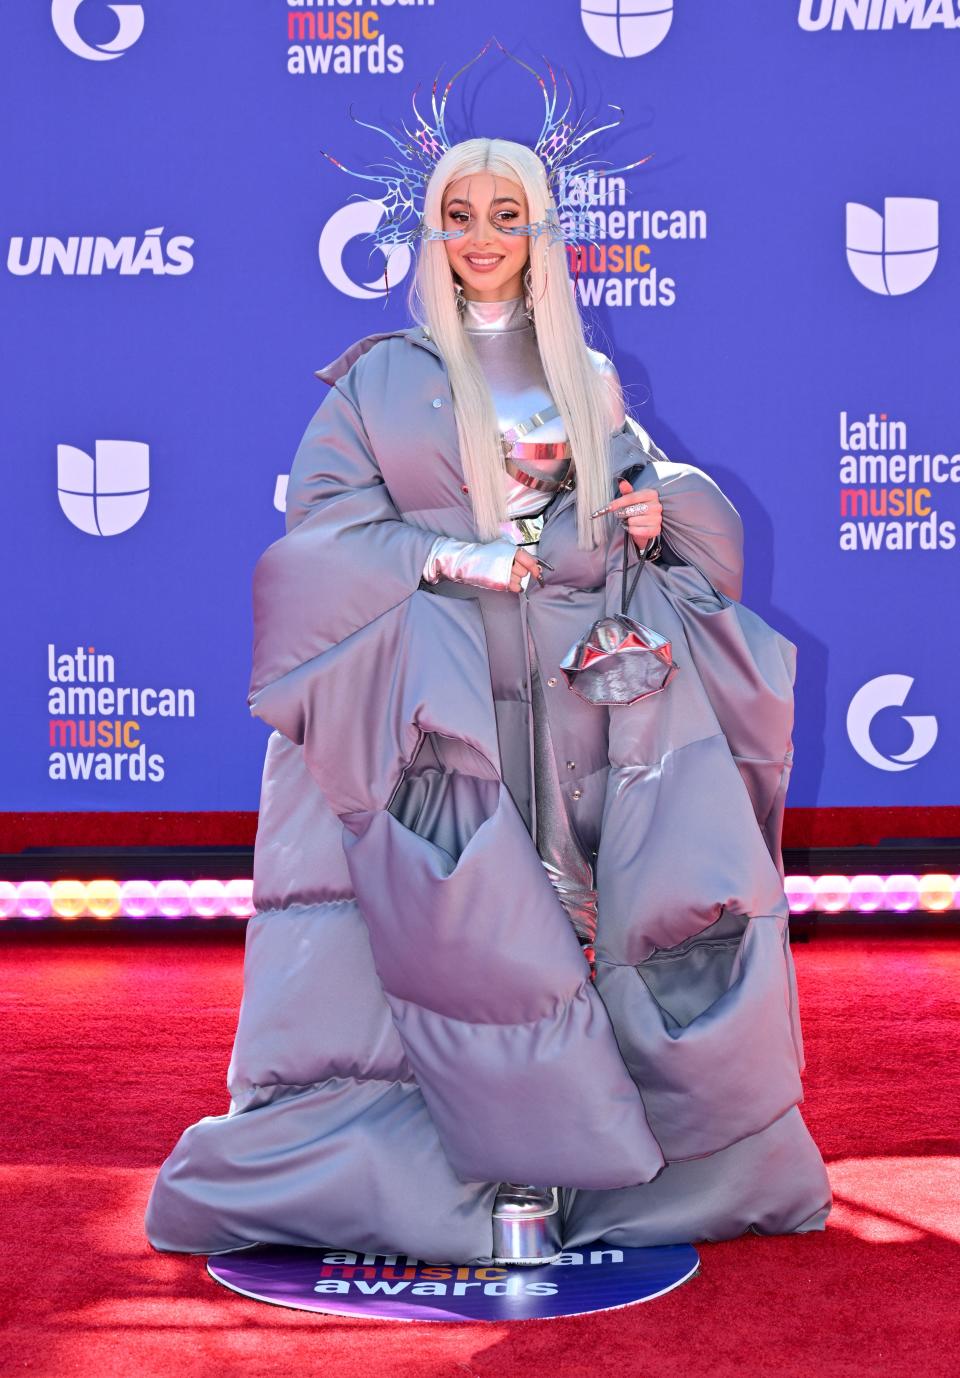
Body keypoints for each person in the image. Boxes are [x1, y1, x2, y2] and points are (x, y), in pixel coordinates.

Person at [144, 132, 831, 1268]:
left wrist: (653, 509)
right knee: (452, 930)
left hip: (565, 705)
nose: (482, 239)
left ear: (541, 231)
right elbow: (316, 542)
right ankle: (445, 1169)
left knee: (560, 919)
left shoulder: (587, 379)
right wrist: (453, 561)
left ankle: (572, 1163)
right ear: (431, 231)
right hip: (435, 699)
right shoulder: (381, 378)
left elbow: (642, 498)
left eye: (506, 215)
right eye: (459, 215)